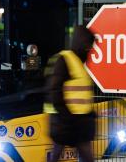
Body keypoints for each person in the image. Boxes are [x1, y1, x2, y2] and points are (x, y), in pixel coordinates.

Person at [44, 25, 96, 162]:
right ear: (81, 43)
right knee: (59, 155)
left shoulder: (78, 63)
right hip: (65, 122)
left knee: (58, 156)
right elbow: (55, 90)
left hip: (76, 123)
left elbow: (82, 95)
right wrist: (66, 116)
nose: (89, 50)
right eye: (88, 46)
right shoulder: (65, 60)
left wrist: (90, 114)